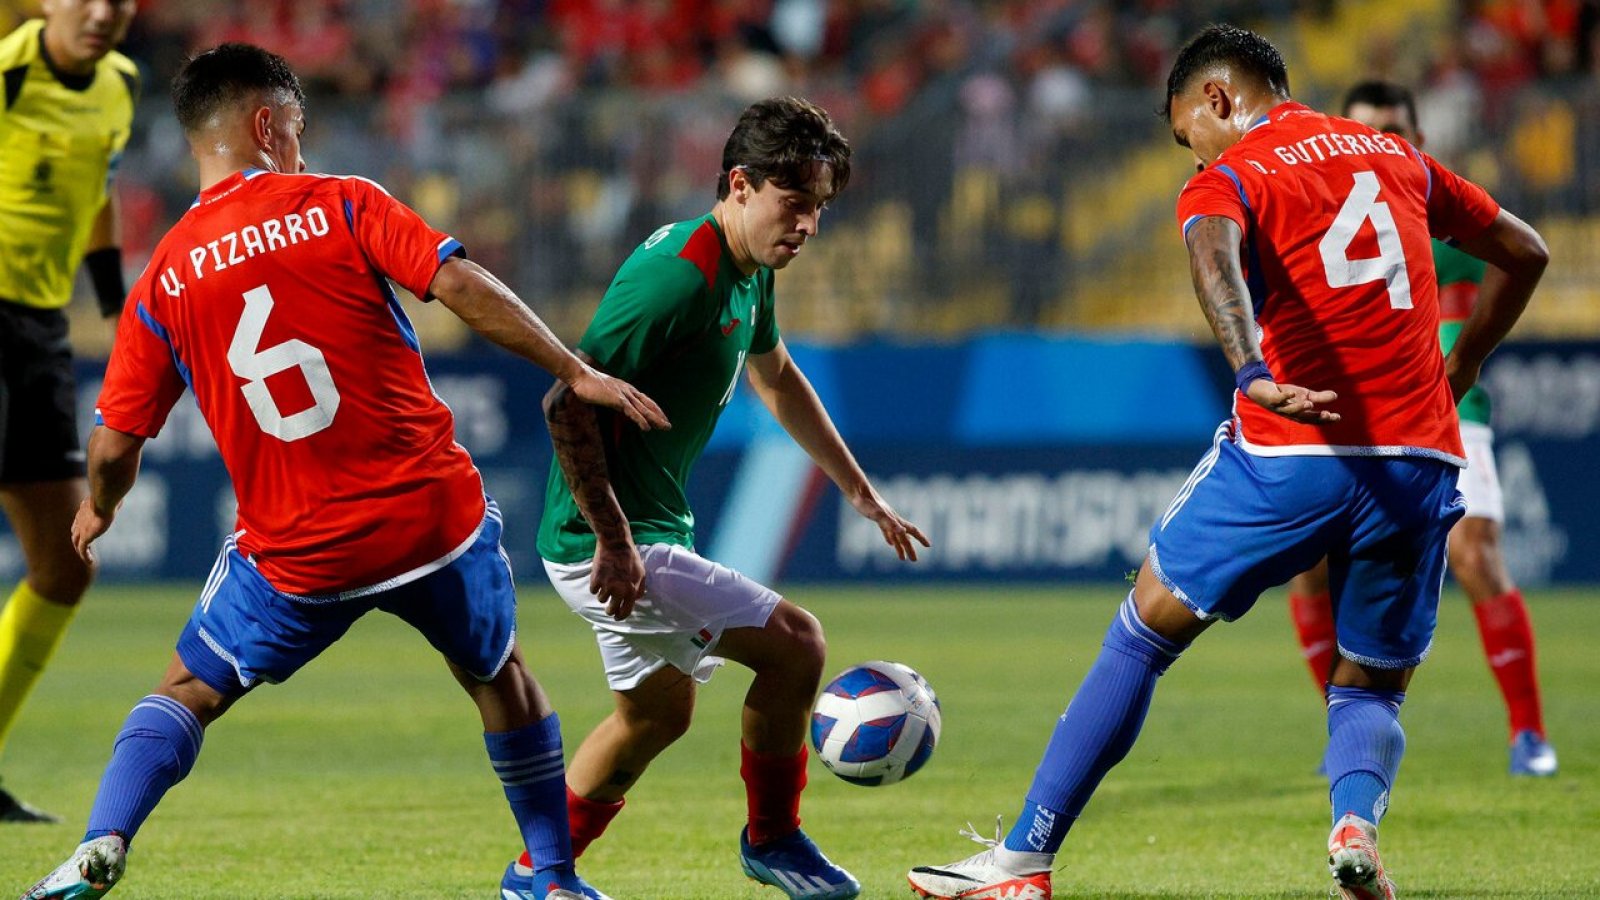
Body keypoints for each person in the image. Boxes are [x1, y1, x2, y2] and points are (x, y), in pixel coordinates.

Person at [908, 25, 1547, 900]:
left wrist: (1251, 371)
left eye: (1185, 134)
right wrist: (1466, 359)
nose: (1189, 154)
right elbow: (1528, 251)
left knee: (1143, 629)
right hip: (1420, 459)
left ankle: (1021, 860)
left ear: (1216, 98)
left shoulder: (1233, 174)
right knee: (1370, 687)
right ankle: (1355, 825)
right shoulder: (1397, 157)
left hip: (1296, 451)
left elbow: (1215, 264)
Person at [21, 43, 668, 900]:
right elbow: (461, 284)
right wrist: (571, 368)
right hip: (433, 523)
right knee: (498, 674)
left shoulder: (166, 273)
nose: (301, 145)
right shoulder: (343, 204)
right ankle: (550, 878)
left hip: (299, 552)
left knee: (187, 689)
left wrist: (101, 509)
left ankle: (102, 840)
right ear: (266, 126)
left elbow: (111, 447)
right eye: (295, 128)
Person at [514, 97, 929, 900]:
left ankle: (540, 875)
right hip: (608, 542)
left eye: (820, 209)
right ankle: (774, 840)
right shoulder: (680, 278)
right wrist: (615, 541)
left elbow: (776, 378)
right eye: (795, 203)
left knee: (654, 719)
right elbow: (567, 403)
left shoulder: (751, 268)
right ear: (740, 184)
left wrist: (859, 490)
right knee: (799, 645)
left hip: (637, 532)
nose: (808, 225)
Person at [1285, 80, 1557, 778]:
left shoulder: (1448, 224)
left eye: (1395, 132)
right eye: (1367, 130)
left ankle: (1529, 735)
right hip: (1351, 419)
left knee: (1476, 554)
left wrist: (1456, 364)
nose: (1383, 143)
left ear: (1419, 142)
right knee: (1308, 571)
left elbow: (1514, 266)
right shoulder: (1316, 226)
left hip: (1442, 410)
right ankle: (1340, 732)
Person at [0, 0, 138, 823]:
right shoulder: (8, 71)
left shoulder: (118, 85)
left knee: (63, 565)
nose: (101, 11)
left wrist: (120, 311)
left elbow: (98, 192)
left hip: (40, 330)